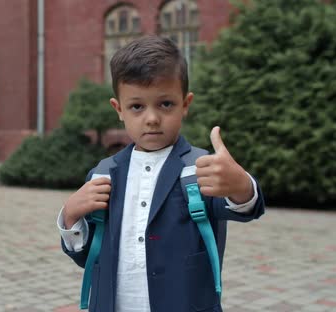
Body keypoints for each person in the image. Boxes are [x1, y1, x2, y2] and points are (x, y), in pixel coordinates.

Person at [57, 35, 265, 312]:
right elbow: (87, 257)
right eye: (137, 106)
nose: (152, 118)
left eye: (165, 104)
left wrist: (241, 185)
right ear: (118, 109)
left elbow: (247, 208)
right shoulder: (103, 173)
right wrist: (70, 216)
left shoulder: (201, 167)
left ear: (186, 104)